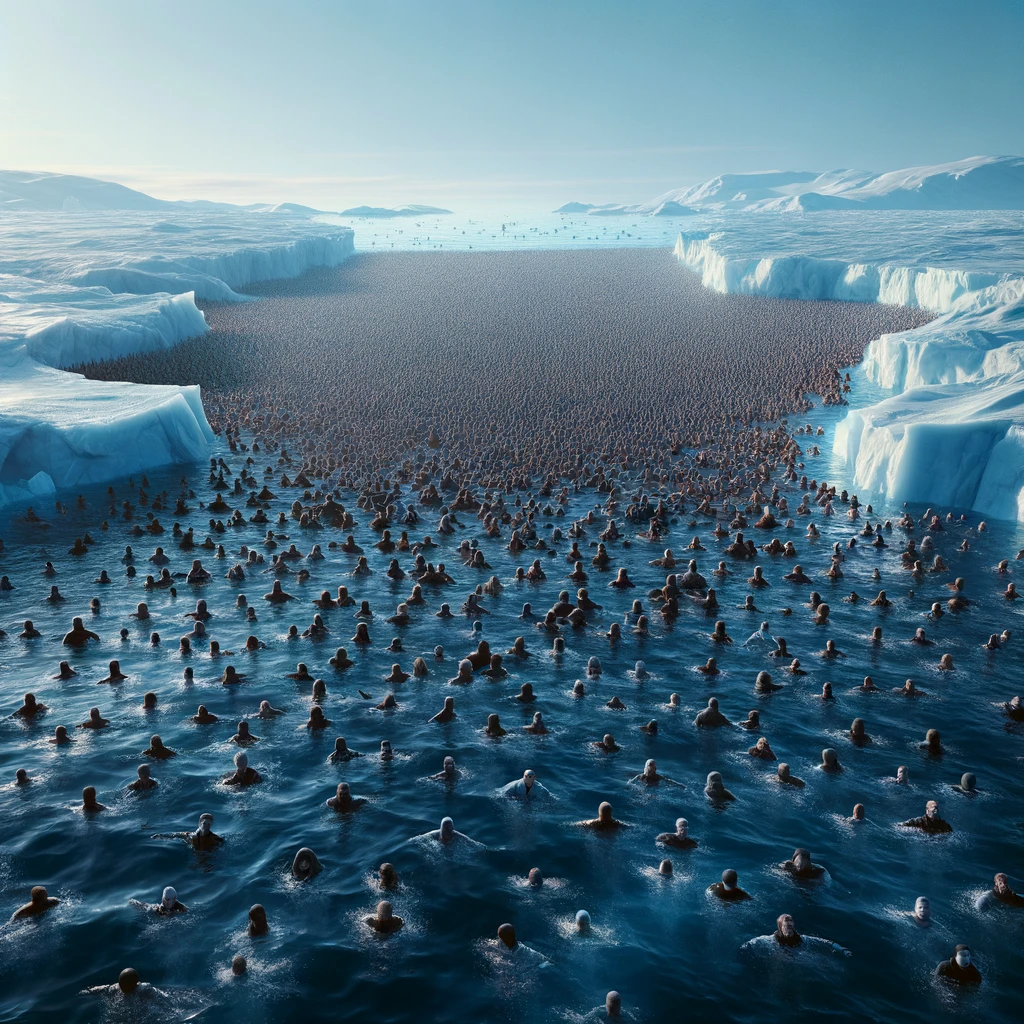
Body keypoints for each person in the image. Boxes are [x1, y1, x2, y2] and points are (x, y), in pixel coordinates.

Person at [81, 967, 165, 999]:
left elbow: (162, 996)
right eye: (121, 984)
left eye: (125, 984)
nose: (122, 987)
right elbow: (101, 989)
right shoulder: (115, 988)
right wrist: (84, 992)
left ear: (134, 983)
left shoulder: (144, 989)